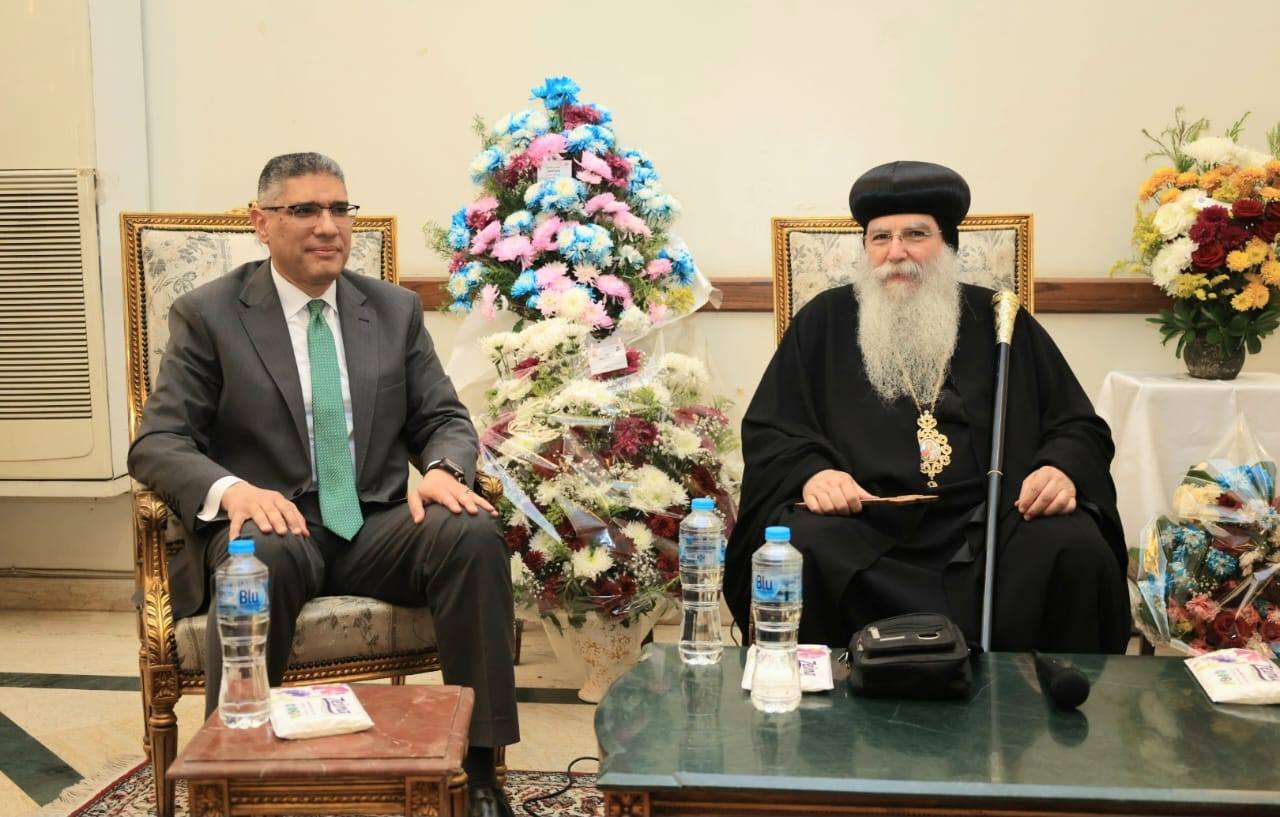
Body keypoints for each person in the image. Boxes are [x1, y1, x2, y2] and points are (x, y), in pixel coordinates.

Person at [129, 153, 518, 817]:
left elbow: (444, 418)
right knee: (260, 557)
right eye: (305, 209)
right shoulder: (210, 315)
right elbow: (158, 442)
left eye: (340, 209)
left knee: (472, 532)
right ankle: (238, 781)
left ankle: (477, 774)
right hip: (273, 522)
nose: (328, 226)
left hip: (376, 523)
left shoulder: (392, 309)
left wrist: (444, 472)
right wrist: (232, 491)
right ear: (261, 222)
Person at [725, 160, 1130, 654]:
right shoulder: (824, 322)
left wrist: (1059, 468)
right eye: (880, 238)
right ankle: (831, 699)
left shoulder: (999, 320)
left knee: (1075, 545)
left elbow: (1078, 425)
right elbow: (772, 430)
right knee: (803, 544)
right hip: (864, 524)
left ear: (947, 244)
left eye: (915, 234)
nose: (896, 253)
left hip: (992, 524)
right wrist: (813, 473)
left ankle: (1045, 698)